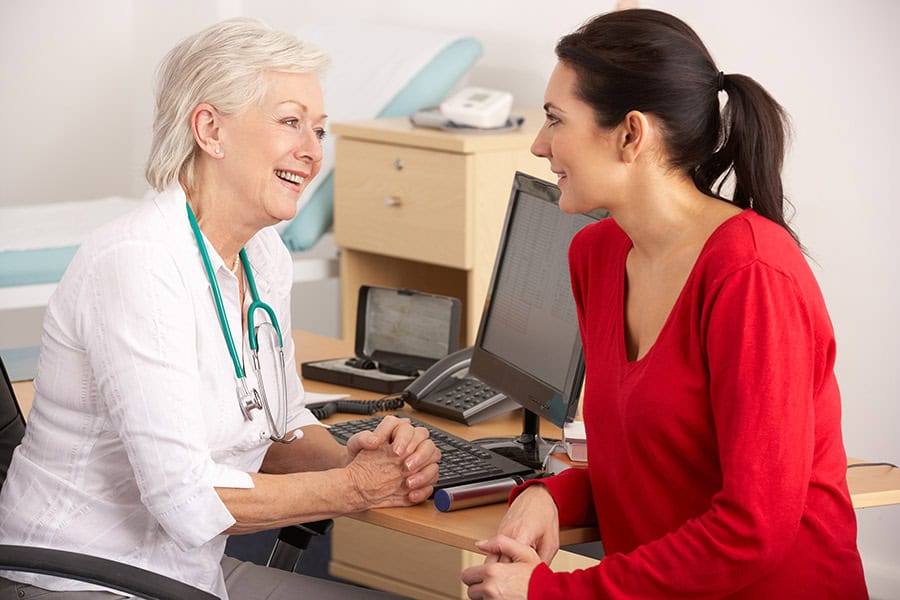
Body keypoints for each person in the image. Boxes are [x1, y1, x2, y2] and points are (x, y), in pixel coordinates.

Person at [0, 18, 439, 600]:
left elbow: (275, 424)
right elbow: (187, 503)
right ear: (209, 129)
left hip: (184, 571)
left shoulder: (262, 255)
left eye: (319, 131)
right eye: (290, 122)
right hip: (85, 576)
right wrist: (356, 487)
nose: (311, 152)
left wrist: (353, 459)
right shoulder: (139, 264)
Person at [461, 8, 867, 599]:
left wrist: (549, 593)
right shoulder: (596, 256)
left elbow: (752, 530)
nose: (538, 144)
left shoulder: (752, 275)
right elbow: (650, 462)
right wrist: (555, 494)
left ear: (631, 134)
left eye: (555, 120)